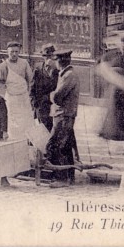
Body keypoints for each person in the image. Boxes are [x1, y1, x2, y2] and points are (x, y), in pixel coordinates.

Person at [46, 49, 80, 187]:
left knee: (56, 145)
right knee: (66, 146)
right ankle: (70, 177)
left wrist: (51, 95)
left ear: (60, 62)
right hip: (64, 114)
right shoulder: (66, 73)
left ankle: (62, 179)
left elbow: (57, 97)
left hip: (63, 115)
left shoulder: (68, 76)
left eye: (56, 61)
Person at [98, 35, 124, 148]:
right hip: (116, 90)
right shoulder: (113, 55)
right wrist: (112, 71)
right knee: (114, 113)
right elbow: (103, 64)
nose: (123, 49)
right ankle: (110, 134)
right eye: (122, 47)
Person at [0, 41, 34, 142]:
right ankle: (14, 142)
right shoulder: (4, 65)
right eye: (12, 52)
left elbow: (31, 80)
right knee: (13, 121)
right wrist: (4, 91)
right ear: (8, 52)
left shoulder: (24, 63)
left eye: (16, 51)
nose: (14, 54)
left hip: (24, 97)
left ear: (19, 52)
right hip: (11, 98)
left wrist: (30, 94)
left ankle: (27, 142)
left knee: (26, 120)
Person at [31, 44, 59, 133]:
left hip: (52, 104)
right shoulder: (38, 69)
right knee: (42, 128)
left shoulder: (58, 70)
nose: (48, 59)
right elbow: (32, 87)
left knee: (53, 128)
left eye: (50, 56)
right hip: (41, 105)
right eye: (46, 57)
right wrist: (33, 102)